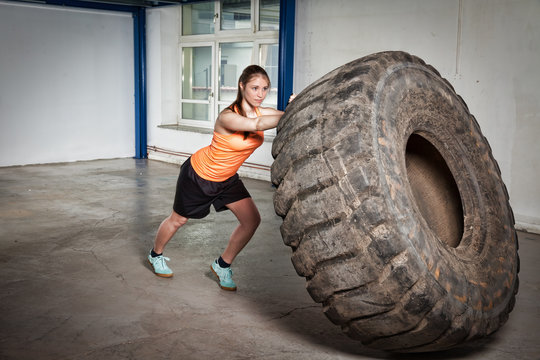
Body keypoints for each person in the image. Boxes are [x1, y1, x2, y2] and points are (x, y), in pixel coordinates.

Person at [148, 65, 292, 291]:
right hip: (199, 175)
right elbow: (255, 125)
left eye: (265, 89)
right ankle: (155, 254)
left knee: (251, 220)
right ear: (242, 86)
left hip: (227, 179)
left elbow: (281, 116)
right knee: (179, 220)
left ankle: (222, 264)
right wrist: (289, 111)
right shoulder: (228, 116)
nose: (260, 94)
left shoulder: (261, 112)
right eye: (255, 88)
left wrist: (296, 106)